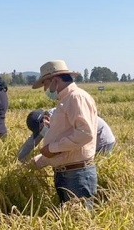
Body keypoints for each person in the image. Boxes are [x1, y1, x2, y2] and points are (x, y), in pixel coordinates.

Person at [28, 60, 98, 205]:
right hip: (68, 174)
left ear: (55, 80)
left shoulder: (76, 97)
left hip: (76, 176)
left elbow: (85, 133)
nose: (45, 89)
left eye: (45, 84)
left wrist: (51, 148)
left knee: (79, 222)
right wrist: (40, 160)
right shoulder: (65, 100)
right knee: (69, 221)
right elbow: (62, 141)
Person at [18, 108, 116, 162]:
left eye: (41, 129)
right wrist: (18, 158)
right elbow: (32, 142)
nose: (42, 133)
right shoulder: (44, 124)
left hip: (101, 139)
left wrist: (39, 160)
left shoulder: (60, 119)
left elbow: (64, 146)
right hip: (85, 137)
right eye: (38, 131)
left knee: (92, 166)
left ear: (46, 119)